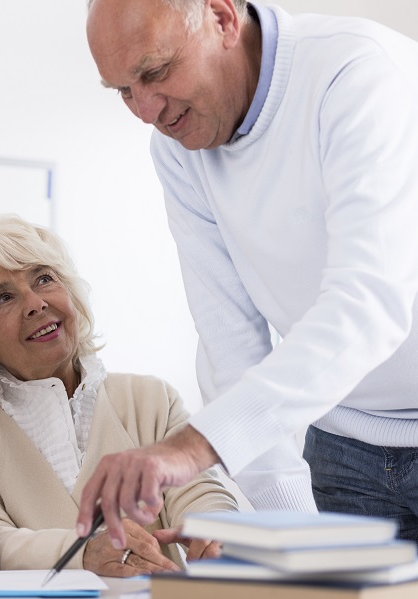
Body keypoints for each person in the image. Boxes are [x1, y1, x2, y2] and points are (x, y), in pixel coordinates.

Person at [81, 0, 418, 548]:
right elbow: (229, 343)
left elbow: (371, 302)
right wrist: (289, 534)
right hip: (343, 439)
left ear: (221, 18)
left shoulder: (353, 75)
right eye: (122, 90)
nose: (146, 110)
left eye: (156, 71)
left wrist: (191, 447)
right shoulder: (178, 151)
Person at [0, 213, 237, 576]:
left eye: (43, 279)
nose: (35, 303)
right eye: (4, 298)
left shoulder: (152, 399)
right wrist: (82, 554)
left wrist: (216, 531)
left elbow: (200, 491)